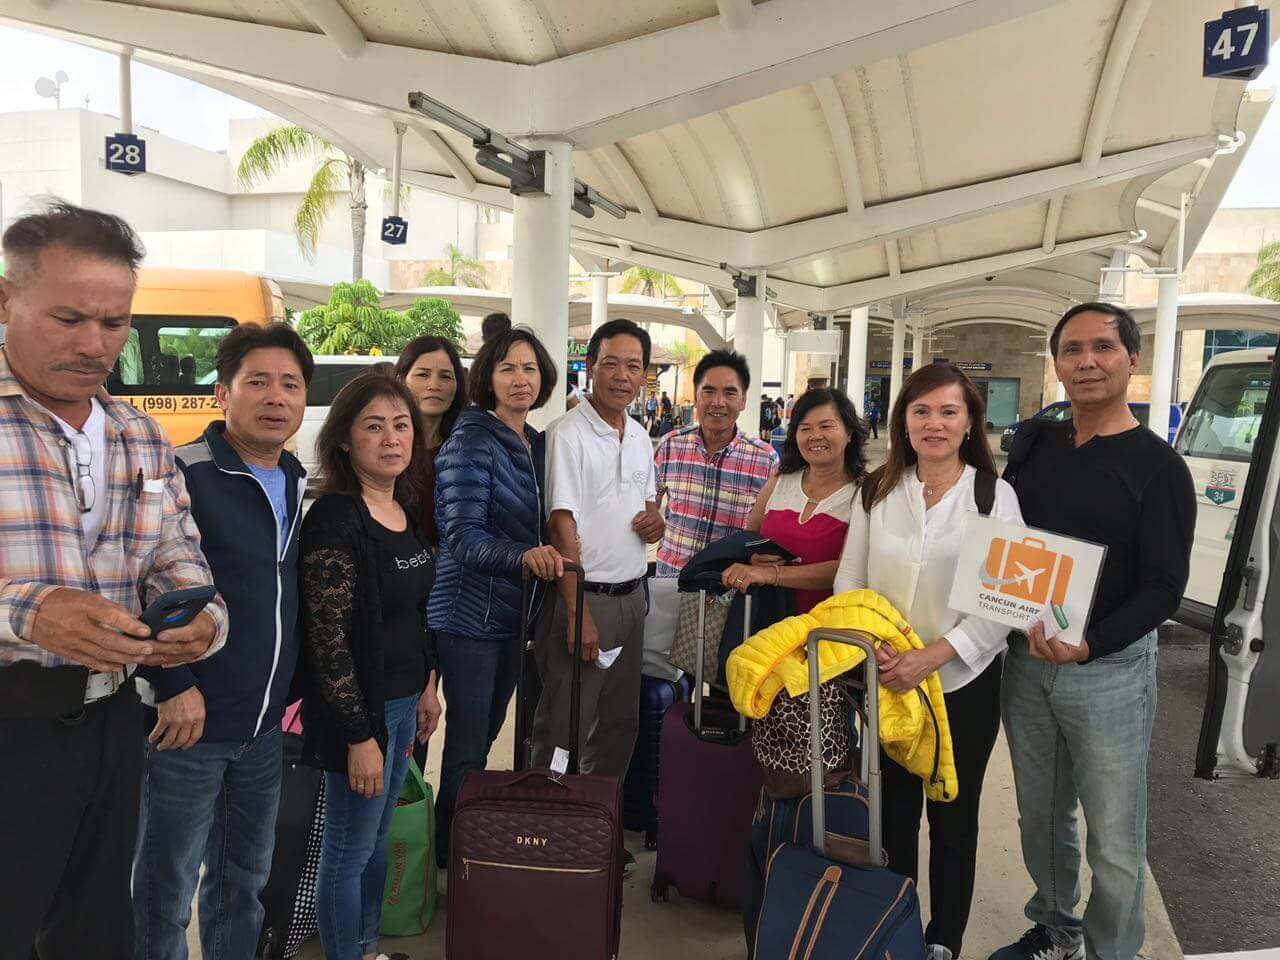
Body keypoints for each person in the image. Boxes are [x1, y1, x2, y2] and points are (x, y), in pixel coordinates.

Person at [0, 201, 227, 960]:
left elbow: (175, 553)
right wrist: (27, 612)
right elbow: (32, 610)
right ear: (6, 300)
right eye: (68, 318)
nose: (94, 344)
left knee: (96, 931)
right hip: (9, 723)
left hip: (112, 725)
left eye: (114, 322)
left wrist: (202, 622)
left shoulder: (138, 433)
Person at [991, 303, 1195, 960]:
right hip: (1028, 660)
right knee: (1040, 815)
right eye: (1072, 350)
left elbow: (1163, 587)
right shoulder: (1037, 446)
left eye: (1102, 348)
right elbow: (1006, 540)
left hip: (1108, 670)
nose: (1086, 362)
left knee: (1114, 836)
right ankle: (1056, 929)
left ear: (1132, 359)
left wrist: (1091, 645)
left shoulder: (1159, 468)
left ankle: (1112, 949)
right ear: (1057, 364)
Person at [132, 322, 312, 960]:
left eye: (290, 384)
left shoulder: (294, 477)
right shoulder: (185, 471)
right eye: (257, 382)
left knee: (244, 885)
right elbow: (138, 582)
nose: (276, 397)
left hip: (262, 728)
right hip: (188, 725)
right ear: (222, 393)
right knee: (164, 891)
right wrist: (172, 683)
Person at [834, 363, 1023, 960]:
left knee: (953, 814)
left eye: (948, 411)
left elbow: (1004, 603)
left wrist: (932, 657)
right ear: (904, 422)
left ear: (969, 423)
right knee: (892, 812)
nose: (934, 423)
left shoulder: (993, 497)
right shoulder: (876, 490)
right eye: (921, 411)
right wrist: (876, 651)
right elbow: (849, 581)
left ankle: (944, 939)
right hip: (887, 679)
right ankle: (898, 925)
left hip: (963, 682)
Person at [298, 370, 443, 960]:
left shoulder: (402, 507)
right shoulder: (337, 518)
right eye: (374, 427)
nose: (391, 439)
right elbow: (328, 641)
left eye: (401, 425)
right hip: (361, 711)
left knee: (378, 840)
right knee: (348, 851)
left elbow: (416, 614)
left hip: (406, 703)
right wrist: (359, 737)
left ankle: (364, 948)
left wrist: (429, 686)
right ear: (344, 439)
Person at [430, 325, 564, 869]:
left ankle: (461, 843)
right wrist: (526, 556)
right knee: (467, 742)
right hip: (468, 616)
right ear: (486, 377)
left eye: (529, 368)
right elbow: (461, 537)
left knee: (485, 735)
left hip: (510, 616)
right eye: (507, 368)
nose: (519, 379)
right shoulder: (471, 440)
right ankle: (447, 857)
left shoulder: (533, 441)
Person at [532, 318, 664, 871]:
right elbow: (561, 523)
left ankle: (596, 831)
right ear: (591, 366)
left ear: (645, 374)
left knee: (617, 725)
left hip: (633, 598)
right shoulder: (567, 434)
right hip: (586, 600)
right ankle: (544, 836)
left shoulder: (639, 436)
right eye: (611, 363)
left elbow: (649, 506)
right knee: (564, 725)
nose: (621, 375)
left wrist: (656, 521)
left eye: (633, 366)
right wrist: (577, 608)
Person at [721, 387, 865, 613]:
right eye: (805, 428)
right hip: (766, 620)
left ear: (849, 433)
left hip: (827, 625)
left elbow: (852, 568)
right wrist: (755, 558)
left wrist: (772, 574)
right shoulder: (780, 481)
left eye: (826, 426)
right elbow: (750, 538)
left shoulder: (864, 494)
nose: (815, 436)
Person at [653, 349, 778, 578]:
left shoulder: (765, 460)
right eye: (709, 391)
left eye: (730, 393)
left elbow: (771, 532)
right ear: (696, 396)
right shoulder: (670, 446)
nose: (718, 402)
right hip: (670, 581)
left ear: (743, 401)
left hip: (727, 588)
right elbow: (647, 503)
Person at [394, 335, 465, 547]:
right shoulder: (387, 448)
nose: (434, 385)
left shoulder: (467, 450)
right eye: (423, 375)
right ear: (401, 380)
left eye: (445, 376)